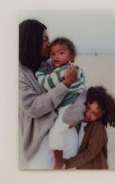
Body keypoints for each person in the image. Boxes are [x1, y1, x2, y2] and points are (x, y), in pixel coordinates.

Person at [18, 20, 85, 170]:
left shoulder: (50, 64)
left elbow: (78, 89)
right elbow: (33, 107)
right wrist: (65, 85)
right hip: (40, 142)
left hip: (65, 130)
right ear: (31, 43)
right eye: (44, 40)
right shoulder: (20, 73)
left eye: (48, 38)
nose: (49, 44)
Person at [36, 37, 87, 169]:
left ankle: (59, 162)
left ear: (72, 55)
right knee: (69, 133)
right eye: (52, 54)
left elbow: (47, 84)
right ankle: (70, 158)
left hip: (67, 109)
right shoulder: (78, 69)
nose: (55, 57)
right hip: (78, 105)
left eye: (61, 53)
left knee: (55, 133)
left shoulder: (61, 71)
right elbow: (83, 84)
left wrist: (40, 72)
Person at [65, 86, 115, 170]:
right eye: (88, 107)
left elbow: (89, 153)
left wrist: (66, 164)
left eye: (95, 114)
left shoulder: (97, 127)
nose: (88, 113)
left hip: (96, 169)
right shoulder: (80, 122)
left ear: (101, 116)